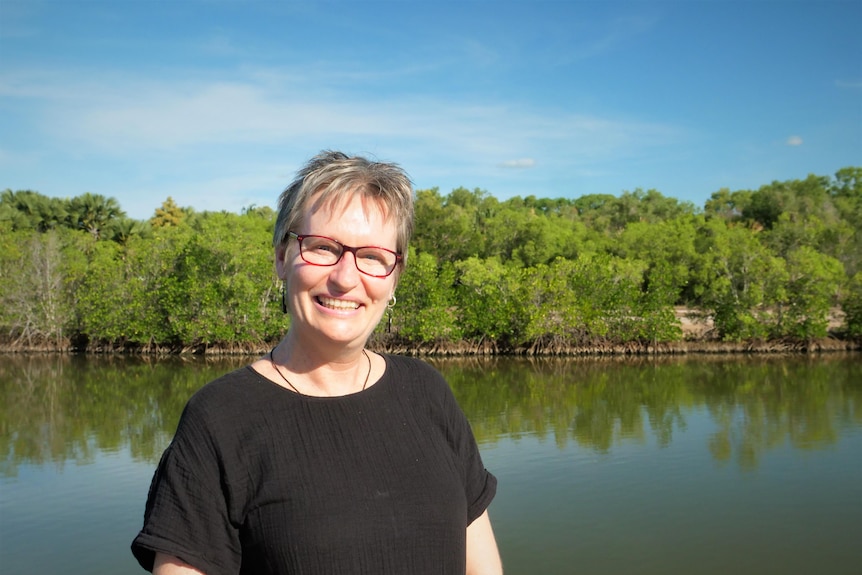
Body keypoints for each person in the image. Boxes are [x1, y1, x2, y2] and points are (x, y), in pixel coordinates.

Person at [131, 151, 502, 574]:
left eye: (374, 257)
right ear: (280, 258)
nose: (346, 278)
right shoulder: (219, 419)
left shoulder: (427, 391)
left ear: (395, 276)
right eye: (323, 248)